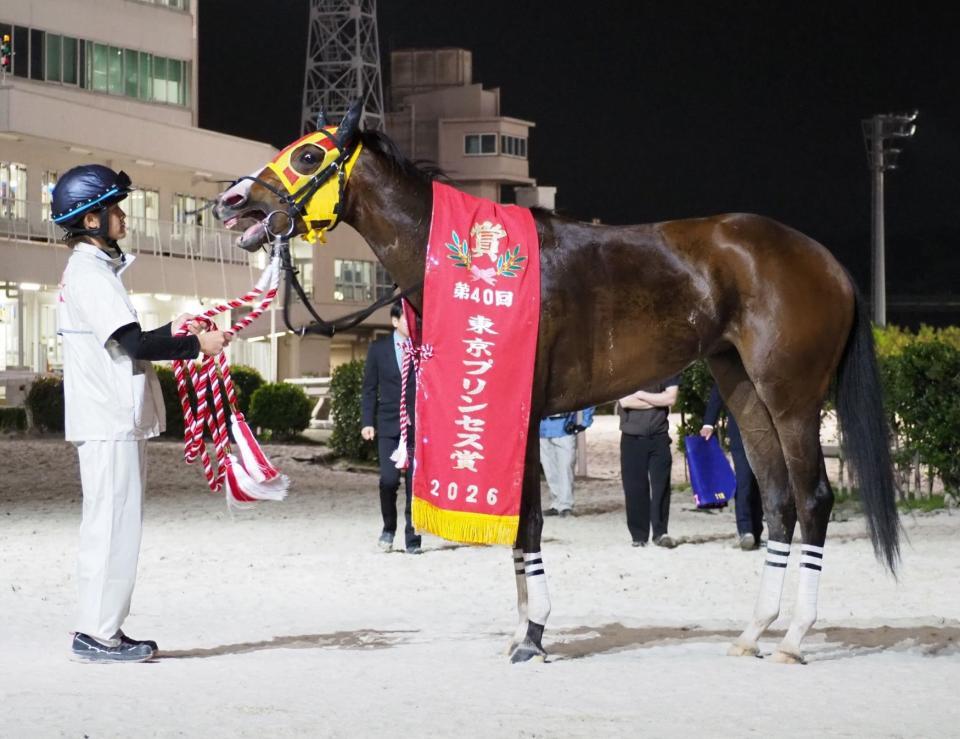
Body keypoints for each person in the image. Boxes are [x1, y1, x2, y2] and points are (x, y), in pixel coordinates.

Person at [53, 164, 230, 663]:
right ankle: (97, 634)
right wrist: (197, 344)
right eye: (115, 209)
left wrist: (180, 328)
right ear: (91, 221)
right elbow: (132, 343)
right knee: (114, 528)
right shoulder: (89, 273)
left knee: (108, 527)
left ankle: (101, 628)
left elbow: (129, 337)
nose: (123, 218)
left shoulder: (93, 272)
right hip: (109, 420)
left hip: (108, 419)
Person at [360, 301, 423, 554]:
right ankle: (388, 529)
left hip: (417, 425)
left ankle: (413, 538)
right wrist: (367, 422)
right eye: (407, 319)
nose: (413, 324)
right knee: (388, 481)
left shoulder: (423, 348)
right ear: (395, 321)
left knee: (414, 485)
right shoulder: (378, 349)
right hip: (388, 425)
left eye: (415, 320)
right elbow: (369, 389)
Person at [618, 375, 680, 548]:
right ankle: (639, 535)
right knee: (634, 488)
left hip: (659, 437)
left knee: (661, 487)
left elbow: (671, 398)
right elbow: (625, 401)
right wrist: (657, 401)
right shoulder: (625, 368)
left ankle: (661, 533)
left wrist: (639, 394)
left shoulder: (668, 367)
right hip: (632, 438)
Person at [700, 383, 764, 550]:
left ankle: (757, 532)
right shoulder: (733, 361)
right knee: (744, 480)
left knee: (759, 482)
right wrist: (708, 423)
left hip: (765, 431)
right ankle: (745, 530)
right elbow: (720, 387)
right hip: (740, 430)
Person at [539, 407, 595, 517]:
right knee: (549, 470)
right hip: (543, 430)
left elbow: (585, 398)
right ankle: (556, 504)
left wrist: (585, 422)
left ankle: (565, 505)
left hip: (564, 429)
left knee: (565, 469)